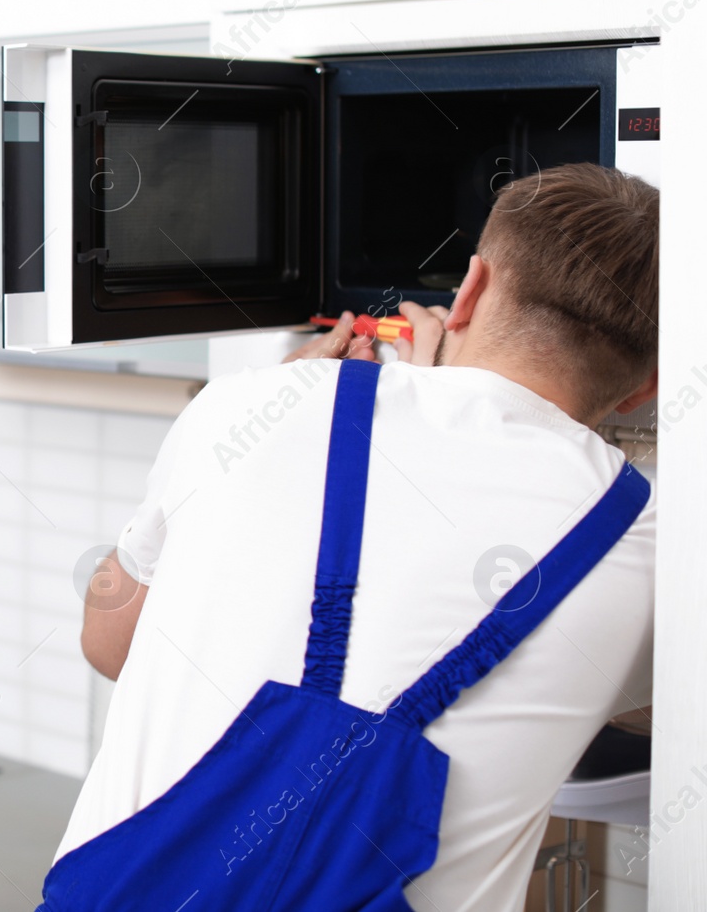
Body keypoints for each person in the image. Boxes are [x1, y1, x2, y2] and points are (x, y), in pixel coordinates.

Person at [52, 163, 658, 910]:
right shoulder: (648, 539)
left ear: (468, 289)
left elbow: (110, 644)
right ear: (647, 387)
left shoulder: (248, 406)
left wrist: (295, 393)